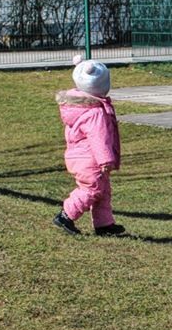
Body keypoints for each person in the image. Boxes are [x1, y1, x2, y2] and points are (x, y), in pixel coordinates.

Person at [53, 56, 126, 237]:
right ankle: (66, 215)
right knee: (91, 189)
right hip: (90, 159)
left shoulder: (80, 107)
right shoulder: (94, 112)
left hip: (80, 157)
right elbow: (98, 138)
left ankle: (104, 224)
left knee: (103, 190)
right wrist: (106, 160)